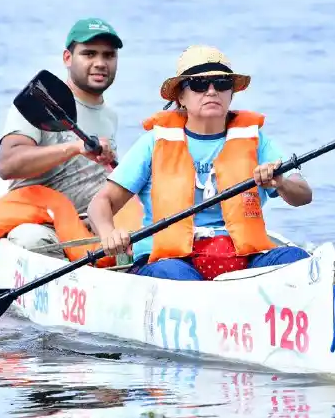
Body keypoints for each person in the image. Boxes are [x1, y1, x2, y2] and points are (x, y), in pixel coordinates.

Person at [87, 45, 313, 281]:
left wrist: (281, 183)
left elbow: (303, 194)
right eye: (199, 84)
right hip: (169, 260)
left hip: (243, 257)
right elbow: (100, 203)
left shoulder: (257, 141)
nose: (212, 91)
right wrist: (108, 233)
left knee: (298, 259)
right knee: (179, 277)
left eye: (222, 84)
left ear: (231, 94)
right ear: (181, 97)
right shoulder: (153, 143)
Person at [0, 18, 142, 268]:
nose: (100, 63)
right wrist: (74, 148)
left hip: (91, 229)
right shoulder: (38, 104)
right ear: (67, 58)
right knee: (32, 239)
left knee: (140, 246)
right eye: (89, 54)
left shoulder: (110, 116)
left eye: (108, 55)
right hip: (42, 225)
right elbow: (8, 165)